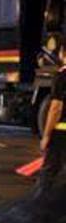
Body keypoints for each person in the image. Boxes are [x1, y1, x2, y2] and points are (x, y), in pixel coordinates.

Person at [37, 46, 66, 200]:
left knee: (49, 170)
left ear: (63, 54)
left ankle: (38, 205)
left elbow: (55, 108)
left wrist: (47, 135)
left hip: (62, 133)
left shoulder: (62, 76)